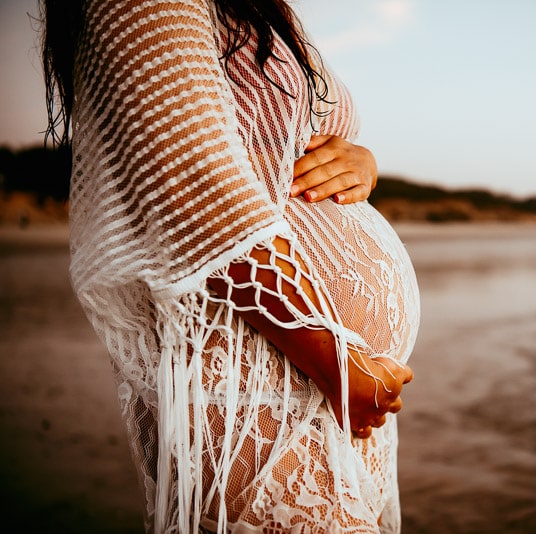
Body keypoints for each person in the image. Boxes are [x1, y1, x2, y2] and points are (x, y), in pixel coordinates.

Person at [40, 0, 420, 532]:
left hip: (323, 380)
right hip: (259, 371)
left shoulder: (257, 8)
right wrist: (334, 359)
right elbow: (191, 183)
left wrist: (360, 161)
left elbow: (280, 140)